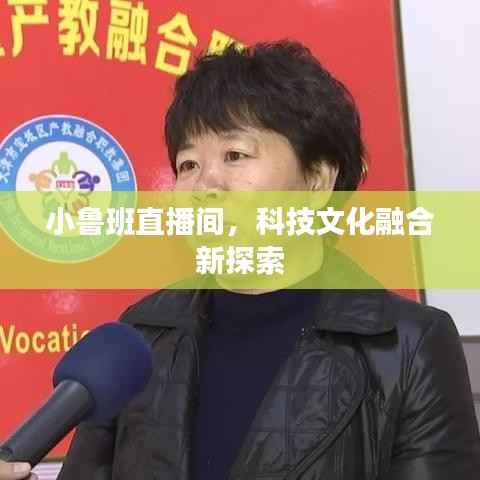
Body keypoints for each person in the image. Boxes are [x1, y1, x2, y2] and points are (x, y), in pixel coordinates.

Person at [2, 39, 479, 479]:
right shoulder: (140, 338)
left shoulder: (407, 347)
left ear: (317, 181)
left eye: (234, 154)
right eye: (188, 164)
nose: (205, 185)